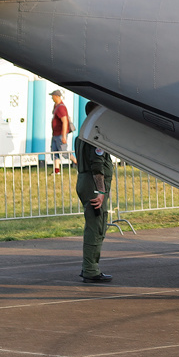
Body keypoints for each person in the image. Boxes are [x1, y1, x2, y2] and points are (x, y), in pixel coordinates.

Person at [76, 137, 115, 284]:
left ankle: (89, 267)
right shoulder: (96, 136)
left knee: (94, 225)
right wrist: (101, 191)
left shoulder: (83, 135)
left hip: (84, 181)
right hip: (93, 184)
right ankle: (90, 269)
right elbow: (97, 164)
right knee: (96, 227)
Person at [49, 89, 72, 173]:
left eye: (52, 96)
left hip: (60, 135)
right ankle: (56, 171)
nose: (52, 98)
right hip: (55, 134)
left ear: (57, 96)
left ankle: (77, 163)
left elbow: (64, 121)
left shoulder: (61, 107)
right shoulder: (56, 106)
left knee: (64, 153)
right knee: (55, 152)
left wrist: (64, 136)